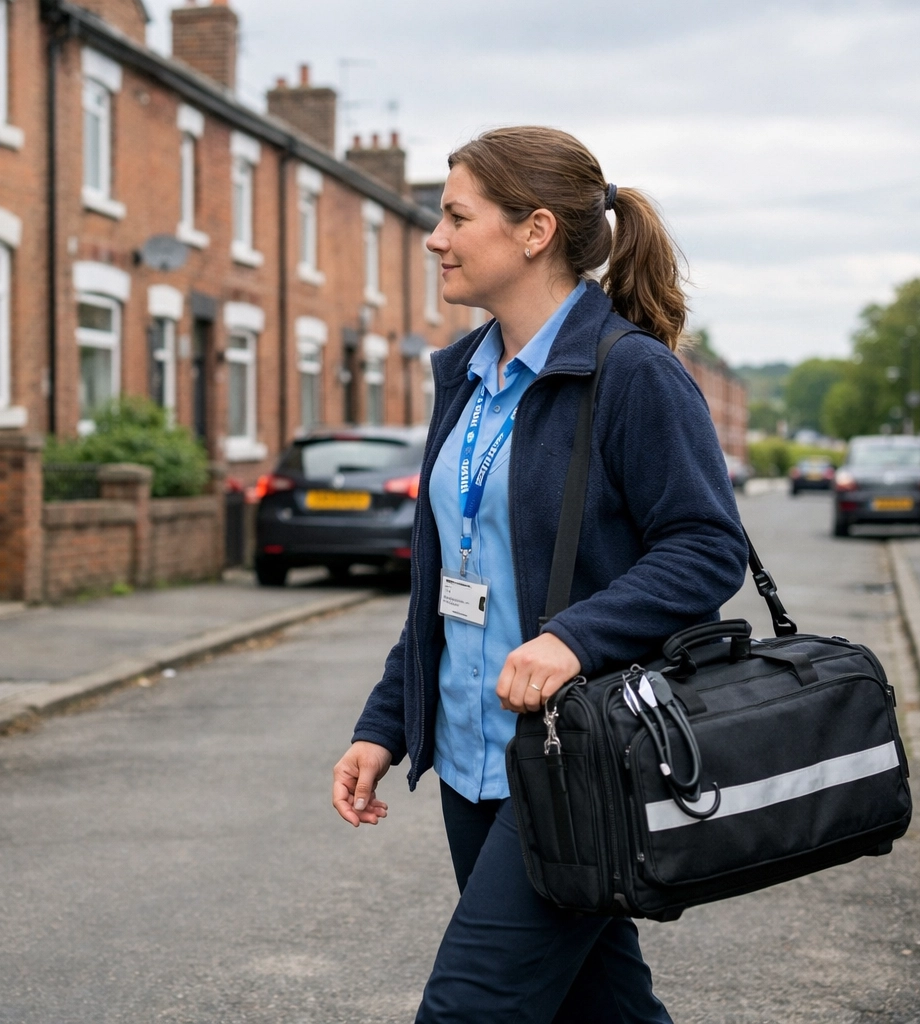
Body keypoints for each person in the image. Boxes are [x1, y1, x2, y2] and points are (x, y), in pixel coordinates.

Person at [330, 126, 749, 1023]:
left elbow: (707, 547)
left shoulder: (630, 372)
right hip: (472, 765)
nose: (434, 238)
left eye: (454, 215)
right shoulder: (468, 380)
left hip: (579, 760)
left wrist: (573, 637)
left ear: (535, 231)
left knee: (470, 1009)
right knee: (601, 1008)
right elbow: (450, 583)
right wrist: (386, 726)